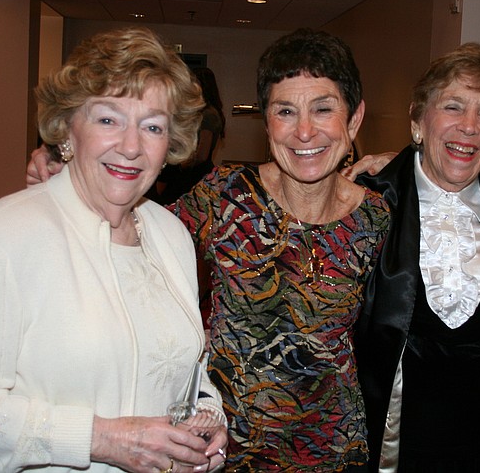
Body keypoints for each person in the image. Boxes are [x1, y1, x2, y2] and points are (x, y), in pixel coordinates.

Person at [26, 28, 391, 471]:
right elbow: (130, 231)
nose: (304, 131)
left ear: (353, 121)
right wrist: (65, 164)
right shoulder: (227, 195)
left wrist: (410, 161)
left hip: (332, 447)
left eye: (323, 109)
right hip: (222, 445)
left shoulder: (378, 216)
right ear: (266, 121)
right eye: (285, 111)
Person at [0, 26, 228, 473]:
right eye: (108, 119)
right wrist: (106, 440)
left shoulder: (170, 234)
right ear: (67, 127)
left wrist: (207, 417)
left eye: (152, 127)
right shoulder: (6, 236)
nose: (131, 146)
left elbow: (187, 366)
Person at [352, 43, 480, 471]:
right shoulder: (367, 205)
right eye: (453, 107)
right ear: (418, 120)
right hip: (386, 445)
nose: (469, 127)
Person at [155, 67, 225, 206]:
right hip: (190, 171)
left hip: (194, 174)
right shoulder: (200, 112)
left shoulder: (208, 115)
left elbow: (201, 155)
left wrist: (180, 166)